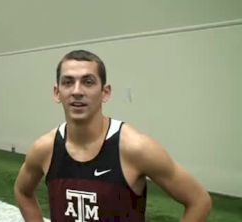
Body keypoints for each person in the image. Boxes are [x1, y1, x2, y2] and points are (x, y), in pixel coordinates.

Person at [14, 50, 211, 221]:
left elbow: (199, 200)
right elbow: (22, 191)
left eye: (88, 82)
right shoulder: (44, 149)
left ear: (105, 93)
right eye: (68, 82)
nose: (77, 91)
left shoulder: (135, 148)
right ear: (57, 93)